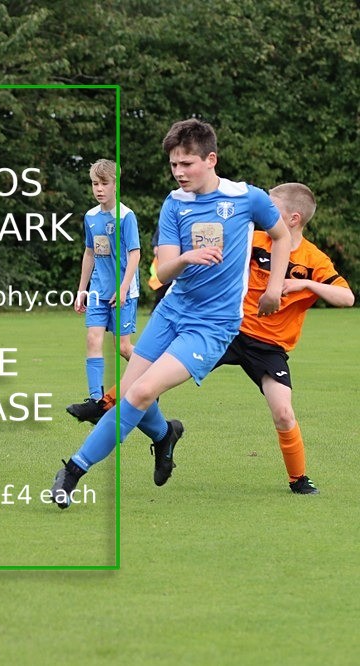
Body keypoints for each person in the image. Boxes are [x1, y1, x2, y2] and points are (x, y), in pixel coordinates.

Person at [50, 118, 291, 508]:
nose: (179, 173)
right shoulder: (173, 204)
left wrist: (276, 286)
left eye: (187, 164)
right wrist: (187, 259)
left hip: (213, 325)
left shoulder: (248, 198)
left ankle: (72, 471)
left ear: (210, 159)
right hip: (173, 311)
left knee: (142, 391)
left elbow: (281, 236)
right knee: (129, 392)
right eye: (173, 165)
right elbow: (163, 271)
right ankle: (164, 435)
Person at [214, 182, 353, 493]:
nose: (264, 213)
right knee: (167, 370)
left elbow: (347, 298)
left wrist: (306, 286)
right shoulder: (256, 240)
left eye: (271, 208)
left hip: (270, 347)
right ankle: (109, 403)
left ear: (293, 218)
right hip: (230, 330)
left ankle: (298, 479)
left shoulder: (313, 260)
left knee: (283, 411)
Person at [65, 159, 140, 421]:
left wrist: (122, 288)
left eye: (104, 183)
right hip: (97, 291)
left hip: (123, 293)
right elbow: (89, 252)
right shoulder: (90, 217)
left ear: (115, 185)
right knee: (93, 339)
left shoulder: (126, 216)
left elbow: (135, 255)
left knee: (123, 347)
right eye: (95, 184)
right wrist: (81, 289)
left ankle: (150, 381)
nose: (99, 189)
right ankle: (96, 401)